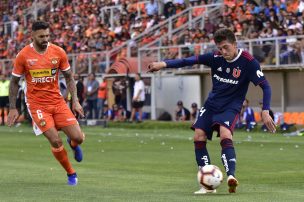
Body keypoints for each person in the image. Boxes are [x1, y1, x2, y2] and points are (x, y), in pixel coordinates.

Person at [148, 28, 276, 194]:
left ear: (235, 44)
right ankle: (207, 183)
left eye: (226, 47)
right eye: (220, 48)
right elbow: (187, 61)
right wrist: (163, 64)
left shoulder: (248, 62)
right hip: (212, 104)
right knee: (198, 136)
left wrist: (265, 111)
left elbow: (266, 86)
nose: (223, 52)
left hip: (231, 105)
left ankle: (231, 176)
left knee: (225, 134)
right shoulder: (215, 57)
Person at [7, 21, 85, 186]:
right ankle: (71, 174)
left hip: (57, 101)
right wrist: (13, 108)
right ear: (32, 36)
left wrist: (75, 101)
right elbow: (14, 82)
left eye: (47, 36)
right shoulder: (23, 55)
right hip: (37, 105)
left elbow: (69, 77)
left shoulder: (58, 52)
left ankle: (73, 143)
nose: (45, 39)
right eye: (41, 36)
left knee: (78, 137)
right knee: (55, 141)